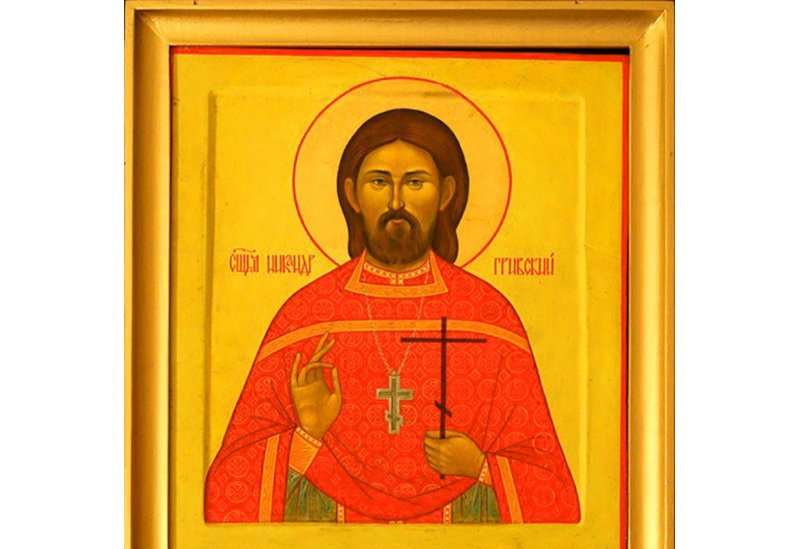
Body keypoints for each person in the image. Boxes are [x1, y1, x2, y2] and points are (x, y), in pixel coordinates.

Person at [205, 108, 580, 524]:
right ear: (352, 194)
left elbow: (556, 496)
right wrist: (306, 436)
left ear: (447, 193)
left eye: (415, 182)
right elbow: (226, 490)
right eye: (379, 182)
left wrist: (480, 467)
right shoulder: (306, 318)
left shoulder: (488, 317)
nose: (396, 202)